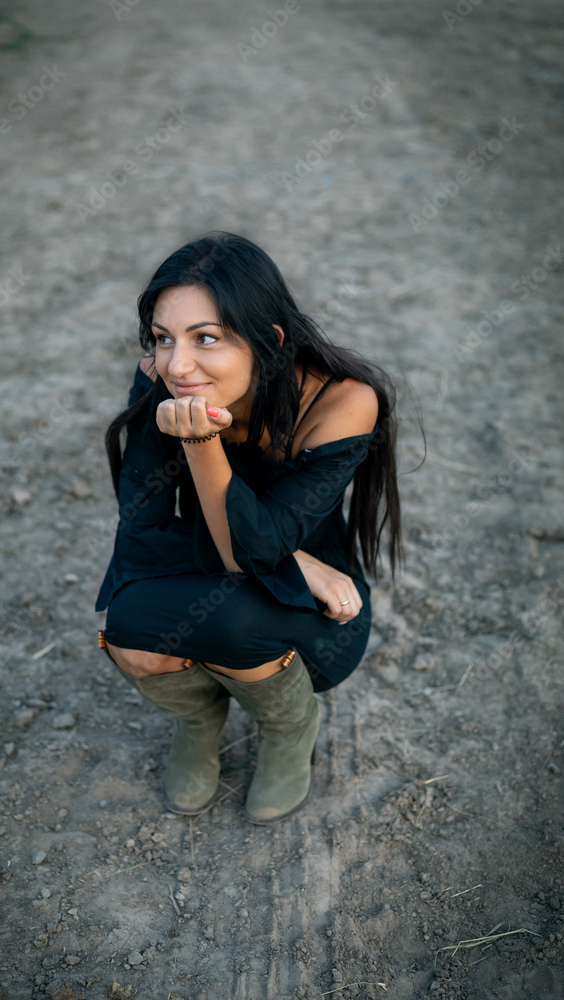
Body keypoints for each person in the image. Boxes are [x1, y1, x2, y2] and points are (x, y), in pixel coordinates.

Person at [95, 231, 401, 825]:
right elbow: (140, 530)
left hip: (315, 622)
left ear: (269, 339)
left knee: (231, 619)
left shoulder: (340, 402)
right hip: (285, 575)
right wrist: (294, 561)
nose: (177, 365)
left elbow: (251, 551)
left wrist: (202, 443)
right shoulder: (165, 380)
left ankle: (289, 731)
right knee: (129, 631)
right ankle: (199, 718)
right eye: (163, 339)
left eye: (205, 338)